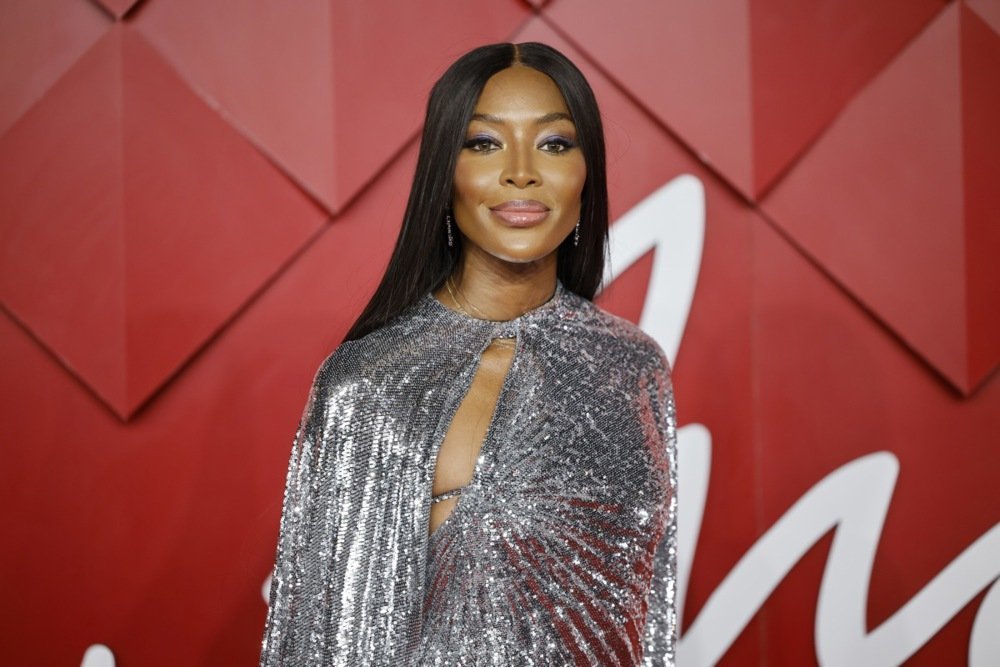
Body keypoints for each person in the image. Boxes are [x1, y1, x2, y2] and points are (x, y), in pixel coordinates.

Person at [260, 42, 677, 666]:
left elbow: (650, 622)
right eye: (484, 143)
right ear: (443, 172)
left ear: (586, 173)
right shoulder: (369, 385)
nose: (521, 172)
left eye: (554, 144)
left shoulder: (632, 368)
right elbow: (321, 645)